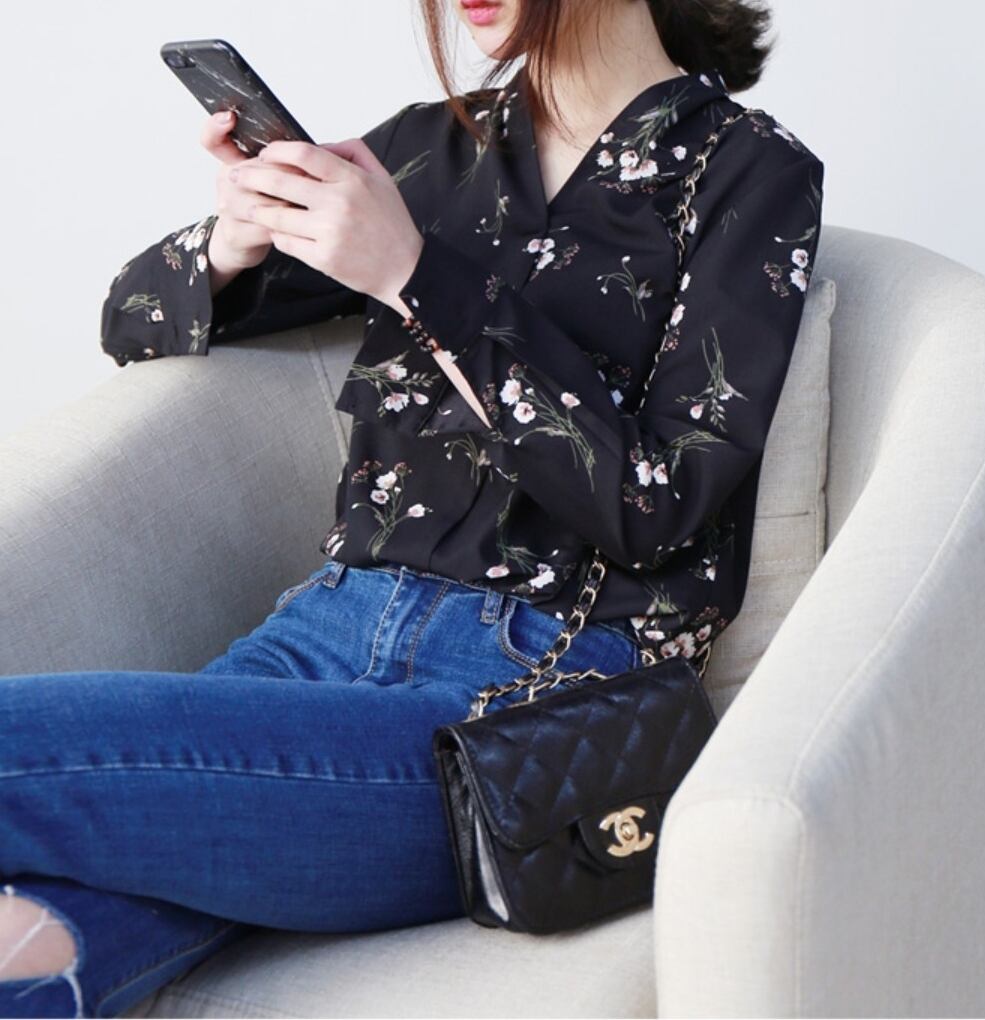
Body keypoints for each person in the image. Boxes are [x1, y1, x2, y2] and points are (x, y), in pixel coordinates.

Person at [0, 0, 825, 1015]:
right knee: (32, 950)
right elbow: (132, 322)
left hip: (520, 704)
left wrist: (414, 274)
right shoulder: (431, 152)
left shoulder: (749, 174)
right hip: (315, 640)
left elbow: (653, 506)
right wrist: (236, 237)